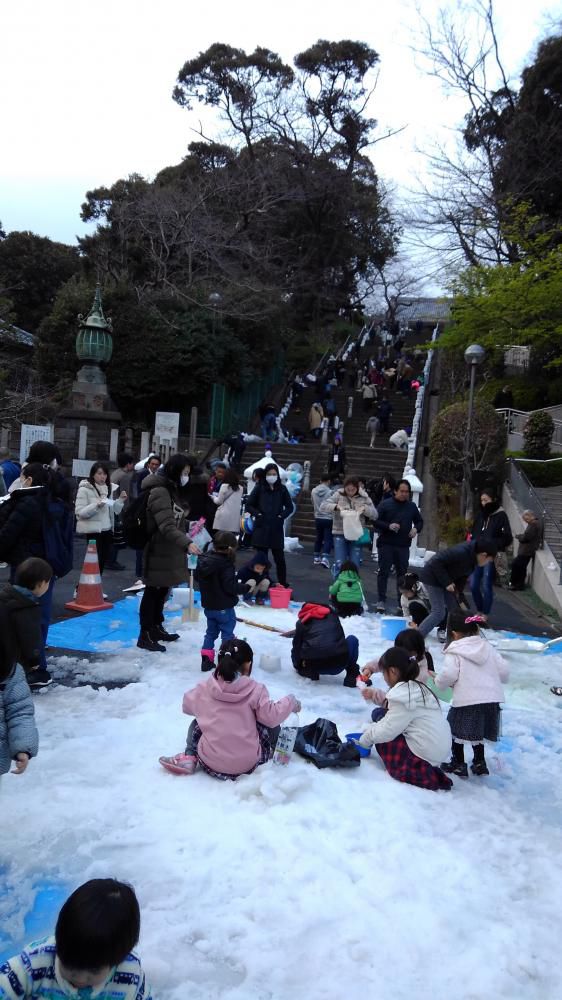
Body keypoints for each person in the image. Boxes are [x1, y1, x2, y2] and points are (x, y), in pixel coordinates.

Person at [160, 638, 300, 779]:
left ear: (219, 663)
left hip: (211, 763)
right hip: (249, 764)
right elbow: (272, 717)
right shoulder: (256, 690)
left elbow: (187, 706)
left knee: (197, 721)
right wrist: (291, 702)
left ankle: (189, 756)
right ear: (248, 665)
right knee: (267, 718)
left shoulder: (205, 688)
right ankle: (279, 752)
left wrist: (208, 707)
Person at [0, 878, 151, 999]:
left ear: (117, 960)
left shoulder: (130, 977)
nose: (79, 979)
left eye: (93, 971)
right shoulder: (36, 962)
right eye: (69, 966)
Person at [0, 463, 63, 687]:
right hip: (47, 566)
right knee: (39, 617)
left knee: (20, 617)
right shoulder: (52, 500)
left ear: (28, 479)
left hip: (26, 567)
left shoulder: (24, 502)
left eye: (22, 476)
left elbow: (8, 533)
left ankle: (27, 668)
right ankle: (37, 665)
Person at [358, 648, 452, 791]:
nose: (384, 677)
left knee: (383, 740)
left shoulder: (403, 696)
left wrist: (365, 740)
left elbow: (387, 730)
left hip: (426, 752)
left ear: (393, 671)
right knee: (381, 715)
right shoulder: (418, 687)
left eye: (384, 673)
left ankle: (418, 768)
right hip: (439, 747)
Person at [435, 609, 509, 777]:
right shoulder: (488, 647)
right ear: (476, 629)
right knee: (478, 731)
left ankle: (458, 763)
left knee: (455, 731)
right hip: (491, 700)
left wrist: (439, 683)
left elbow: (449, 674)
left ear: (453, 634)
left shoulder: (454, 651)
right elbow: (504, 670)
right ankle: (479, 763)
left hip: (467, 701)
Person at [138, 454, 199, 653]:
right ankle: (145, 634)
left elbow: (175, 520)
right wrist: (187, 543)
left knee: (162, 590)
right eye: (184, 472)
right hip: (158, 549)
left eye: (188, 473)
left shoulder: (171, 489)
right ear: (175, 471)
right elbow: (165, 525)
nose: (186, 477)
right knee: (153, 591)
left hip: (169, 549)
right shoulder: (159, 491)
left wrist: (191, 527)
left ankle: (156, 627)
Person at [417, 540, 498, 639]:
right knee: (439, 612)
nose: (486, 564)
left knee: (455, 611)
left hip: (447, 579)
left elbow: (462, 577)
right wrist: (446, 582)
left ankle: (453, 641)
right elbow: (435, 563)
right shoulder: (461, 552)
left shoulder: (473, 558)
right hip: (432, 577)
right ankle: (416, 637)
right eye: (488, 561)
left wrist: (458, 594)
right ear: (483, 555)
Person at [196, 531, 249, 671]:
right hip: (224, 607)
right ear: (231, 547)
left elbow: (197, 577)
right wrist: (245, 587)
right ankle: (226, 662)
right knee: (227, 635)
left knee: (210, 633)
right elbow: (229, 586)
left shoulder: (203, 559)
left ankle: (206, 660)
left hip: (209, 607)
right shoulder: (225, 563)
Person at [0, 557, 53, 691]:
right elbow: (31, 637)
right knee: (13, 693)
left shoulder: (5, 596)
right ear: (41, 584)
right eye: (48, 583)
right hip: (11, 662)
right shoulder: (28, 607)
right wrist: (34, 661)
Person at [375, 479, 423, 613]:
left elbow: (419, 521)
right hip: (386, 543)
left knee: (402, 574)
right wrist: (388, 526)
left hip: (403, 545)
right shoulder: (385, 504)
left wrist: (415, 529)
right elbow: (375, 521)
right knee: (383, 571)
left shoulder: (412, 506)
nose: (404, 494)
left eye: (407, 492)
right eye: (402, 491)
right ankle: (381, 600)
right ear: (395, 491)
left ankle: (401, 601)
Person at [245, 463, 293, 588]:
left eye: (274, 474)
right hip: (261, 528)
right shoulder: (259, 488)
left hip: (276, 528)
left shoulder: (282, 489)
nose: (272, 476)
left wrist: (281, 516)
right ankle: (263, 584)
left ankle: (283, 583)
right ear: (265, 475)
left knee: (280, 559)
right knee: (261, 559)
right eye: (269, 474)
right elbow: (249, 505)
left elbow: (289, 506)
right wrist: (258, 514)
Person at [75, 462, 127, 576]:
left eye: (104, 474)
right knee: (92, 562)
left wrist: (121, 501)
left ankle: (96, 589)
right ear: (93, 474)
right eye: (99, 473)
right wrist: (96, 506)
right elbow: (80, 513)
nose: (102, 476)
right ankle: (81, 589)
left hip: (107, 529)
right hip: (93, 531)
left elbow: (114, 510)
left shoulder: (108, 488)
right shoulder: (85, 489)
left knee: (102, 561)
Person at [290, 602, 360, 687]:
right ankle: (352, 675)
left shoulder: (301, 623)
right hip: (339, 664)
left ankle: (310, 672)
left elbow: (296, 648)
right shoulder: (333, 616)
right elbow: (340, 639)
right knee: (352, 639)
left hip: (315, 667)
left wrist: (298, 666)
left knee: (301, 642)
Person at [320, 475, 376, 574]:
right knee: (339, 563)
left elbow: (375, 515)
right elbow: (323, 506)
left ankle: (353, 587)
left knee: (355, 564)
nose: (350, 490)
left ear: (357, 487)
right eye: (348, 488)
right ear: (344, 487)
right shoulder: (338, 494)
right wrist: (336, 507)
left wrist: (364, 509)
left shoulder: (364, 496)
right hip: (340, 533)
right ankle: (339, 586)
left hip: (356, 535)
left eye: (353, 488)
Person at [470, 491, 513, 617]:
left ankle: (485, 613)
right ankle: (479, 609)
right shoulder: (480, 516)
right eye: (482, 500)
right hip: (478, 554)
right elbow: (474, 533)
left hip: (490, 555)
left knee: (486, 584)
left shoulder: (501, 515)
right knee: (473, 585)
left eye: (486, 500)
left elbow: (507, 537)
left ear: (493, 500)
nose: (484, 503)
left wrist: (492, 545)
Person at [107, 452, 135, 571]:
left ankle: (109, 560)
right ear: (128, 464)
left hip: (110, 505)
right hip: (118, 508)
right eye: (132, 463)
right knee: (117, 536)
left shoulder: (115, 473)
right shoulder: (125, 476)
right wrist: (128, 511)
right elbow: (125, 495)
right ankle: (112, 561)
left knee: (112, 535)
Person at [509, 510, 542, 590]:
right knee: (520, 566)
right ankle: (518, 584)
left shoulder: (533, 524)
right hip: (527, 550)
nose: (525, 521)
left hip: (527, 550)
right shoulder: (534, 523)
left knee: (517, 565)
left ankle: (516, 584)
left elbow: (526, 537)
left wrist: (518, 537)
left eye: (525, 519)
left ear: (529, 515)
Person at [311, 473, 334, 568]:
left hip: (318, 517)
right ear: (329, 481)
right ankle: (325, 558)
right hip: (328, 517)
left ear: (320, 480)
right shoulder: (331, 492)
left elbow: (312, 502)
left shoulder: (313, 491)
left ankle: (316, 557)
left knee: (319, 537)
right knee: (328, 538)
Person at [211, 468, 243, 533]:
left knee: (222, 537)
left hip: (224, 516)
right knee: (230, 538)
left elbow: (219, 501)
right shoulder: (241, 488)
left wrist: (213, 497)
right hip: (234, 517)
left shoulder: (224, 486)